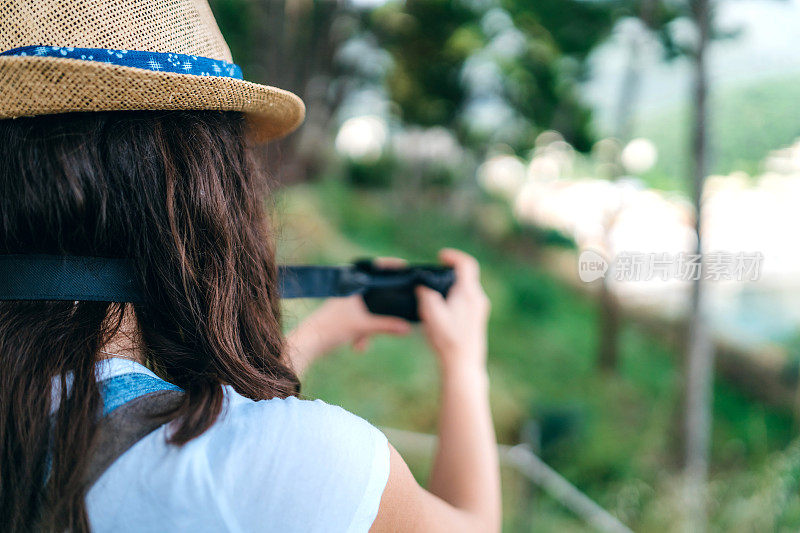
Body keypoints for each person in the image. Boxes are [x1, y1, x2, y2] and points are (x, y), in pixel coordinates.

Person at [0, 1, 501, 532]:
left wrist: (322, 332)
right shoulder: (291, 466)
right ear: (192, 187)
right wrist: (464, 362)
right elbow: (474, 524)